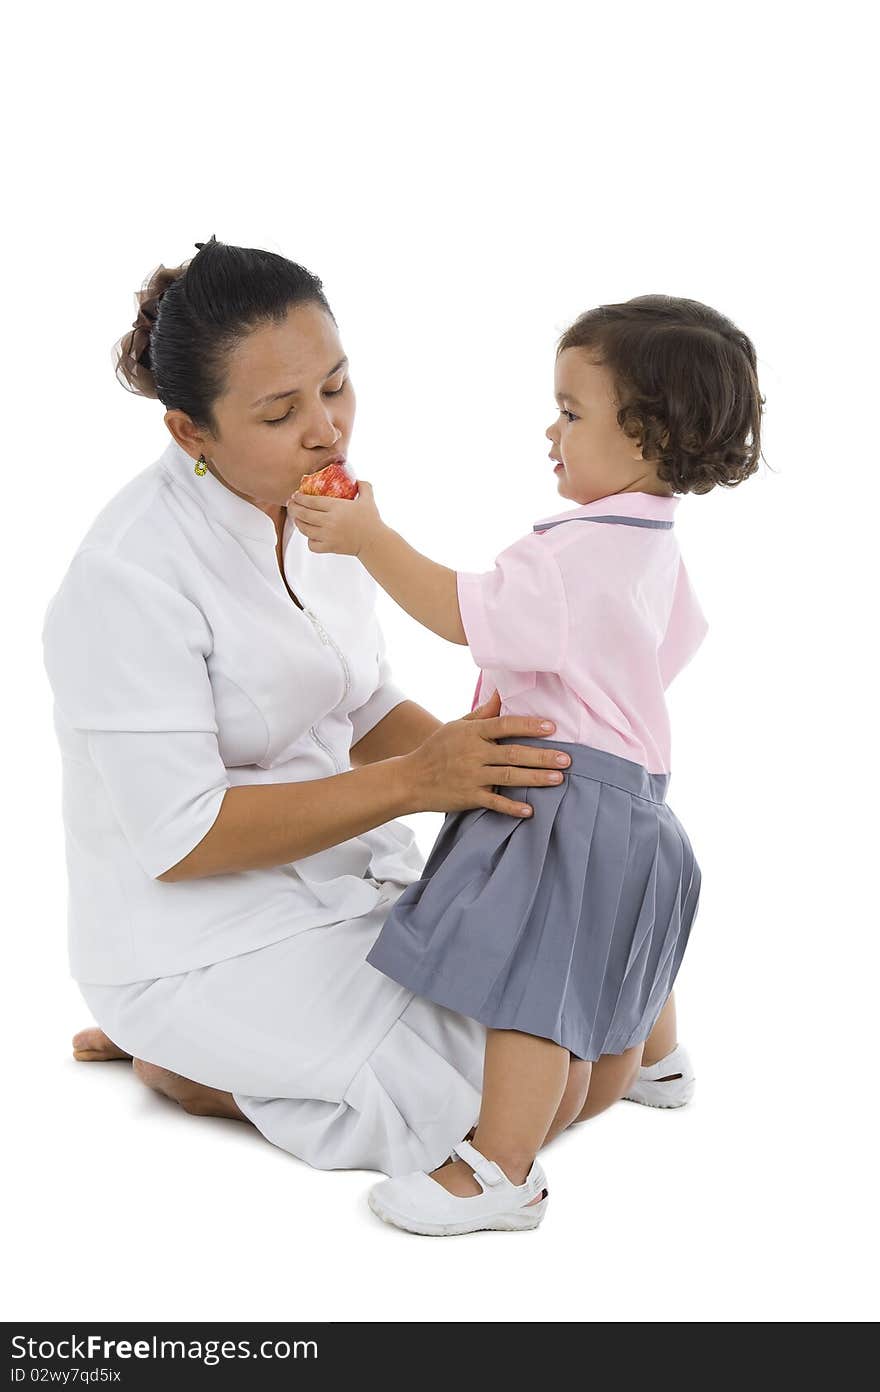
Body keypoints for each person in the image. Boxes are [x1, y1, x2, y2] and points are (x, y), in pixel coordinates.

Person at [44, 237, 696, 1192]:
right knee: (497, 1105)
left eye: (336, 388)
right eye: (281, 412)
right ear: (191, 433)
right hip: (196, 936)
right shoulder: (124, 581)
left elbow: (360, 698)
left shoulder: (319, 516)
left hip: (347, 883)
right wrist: (416, 785)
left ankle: (243, 1059)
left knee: (589, 1065)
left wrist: (517, 779)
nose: (326, 430)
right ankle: (187, 1062)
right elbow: (182, 841)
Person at [288, 292, 764, 1234]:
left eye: (573, 413)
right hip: (634, 788)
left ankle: (502, 1173)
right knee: (613, 929)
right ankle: (659, 1063)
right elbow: (674, 643)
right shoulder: (652, 539)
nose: (551, 432)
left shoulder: (569, 553)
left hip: (563, 790)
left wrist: (369, 540)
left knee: (534, 978)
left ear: (650, 434)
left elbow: (466, 612)